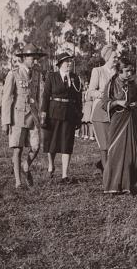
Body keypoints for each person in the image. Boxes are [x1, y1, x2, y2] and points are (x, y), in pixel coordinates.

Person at [1, 44, 46, 188]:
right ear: (25, 57)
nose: (35, 61)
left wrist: (41, 113)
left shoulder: (37, 74)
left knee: (36, 146)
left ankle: (26, 165)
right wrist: (5, 121)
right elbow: (7, 98)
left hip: (32, 116)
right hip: (18, 116)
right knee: (18, 148)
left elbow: (39, 95)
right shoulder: (13, 74)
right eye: (33, 57)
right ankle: (18, 181)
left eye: (37, 58)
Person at [41, 52, 83, 182]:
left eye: (70, 61)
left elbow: (78, 98)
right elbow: (46, 96)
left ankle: (65, 174)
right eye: (67, 61)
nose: (69, 63)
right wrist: (44, 114)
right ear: (60, 64)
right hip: (53, 113)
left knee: (67, 143)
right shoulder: (52, 77)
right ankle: (51, 165)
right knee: (52, 142)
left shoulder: (75, 78)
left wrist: (79, 116)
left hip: (69, 114)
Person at [102, 58, 137, 194]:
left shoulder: (132, 84)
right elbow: (104, 103)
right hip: (118, 121)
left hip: (130, 120)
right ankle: (112, 186)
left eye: (131, 71)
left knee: (132, 152)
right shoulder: (112, 83)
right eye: (126, 71)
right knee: (116, 153)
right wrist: (118, 102)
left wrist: (135, 104)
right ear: (119, 71)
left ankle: (128, 185)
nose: (130, 73)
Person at [89, 45, 119, 172]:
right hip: (100, 110)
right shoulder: (98, 71)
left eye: (117, 57)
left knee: (114, 142)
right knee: (104, 144)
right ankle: (107, 172)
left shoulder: (118, 72)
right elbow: (91, 91)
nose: (117, 59)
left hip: (115, 111)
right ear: (107, 57)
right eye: (114, 57)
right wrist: (103, 95)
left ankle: (107, 165)